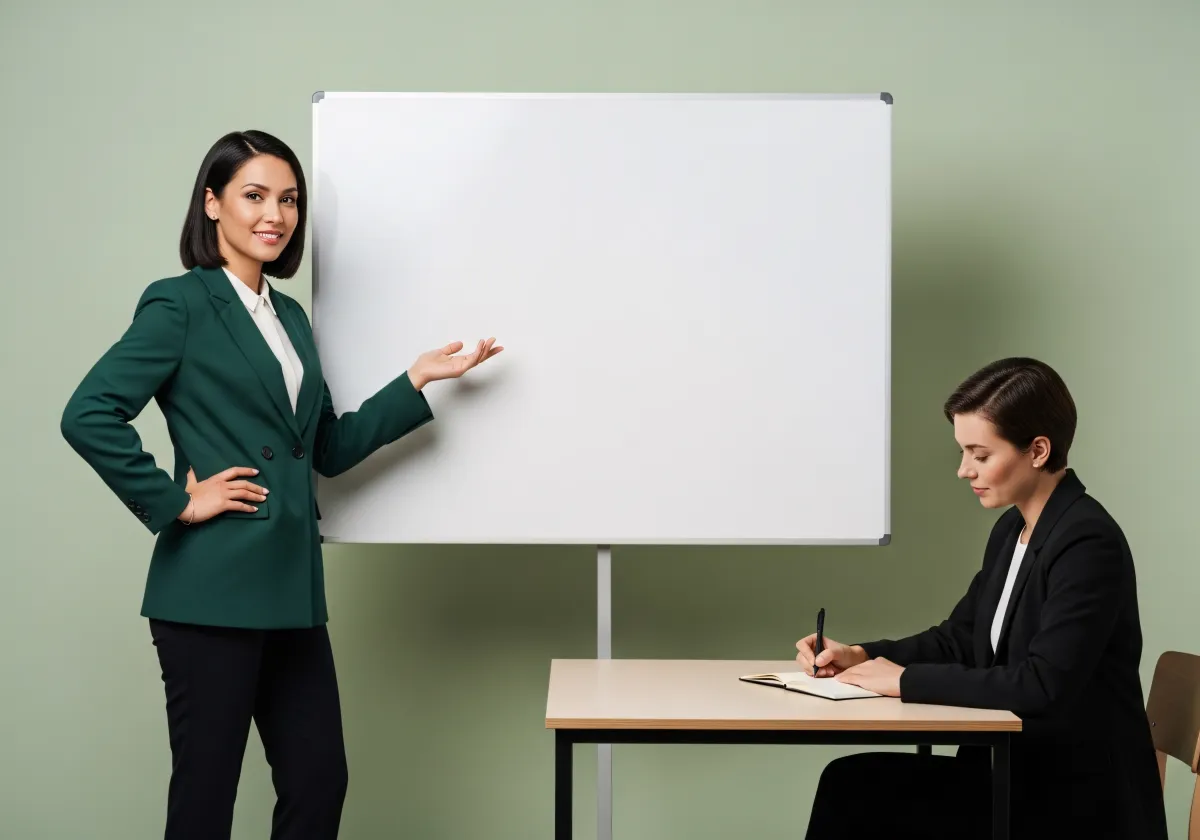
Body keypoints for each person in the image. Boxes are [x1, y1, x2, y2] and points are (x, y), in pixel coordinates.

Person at [59, 129, 502, 840]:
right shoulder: (180, 305)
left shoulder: (291, 317)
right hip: (210, 592)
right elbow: (88, 413)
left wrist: (416, 380)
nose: (276, 215)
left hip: (292, 593)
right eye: (255, 196)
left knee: (319, 782)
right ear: (212, 204)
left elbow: (324, 448)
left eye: (289, 199)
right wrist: (179, 501)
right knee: (206, 800)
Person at [795, 358, 1168, 840]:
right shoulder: (1014, 527)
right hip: (1014, 773)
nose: (963, 469)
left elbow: (1041, 686)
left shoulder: (1086, 542)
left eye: (980, 454)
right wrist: (862, 656)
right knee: (850, 783)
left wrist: (904, 681)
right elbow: (962, 638)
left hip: (1069, 801)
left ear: (1037, 450)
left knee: (855, 790)